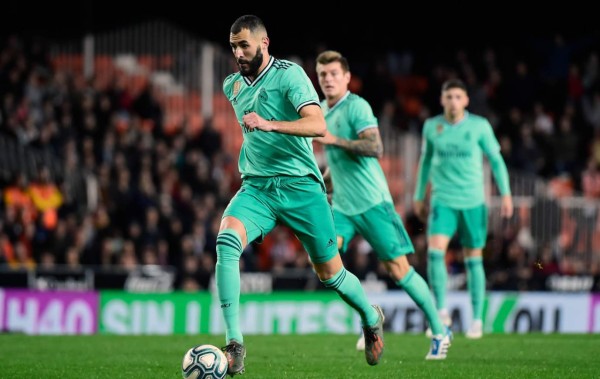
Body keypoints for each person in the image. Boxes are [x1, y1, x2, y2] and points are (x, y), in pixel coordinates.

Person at [216, 15, 385, 376]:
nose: (238, 52)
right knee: (226, 241)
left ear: (264, 43)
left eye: (244, 44)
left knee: (330, 275)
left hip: (301, 188)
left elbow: (317, 125)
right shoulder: (231, 85)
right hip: (258, 187)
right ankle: (234, 345)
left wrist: (269, 123)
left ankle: (370, 317)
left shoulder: (289, 75)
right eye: (233, 46)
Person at [314, 50, 452, 360]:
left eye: (334, 73)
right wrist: (323, 178)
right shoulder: (322, 110)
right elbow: (337, 164)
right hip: (343, 207)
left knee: (398, 270)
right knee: (325, 263)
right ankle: (370, 315)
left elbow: (376, 146)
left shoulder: (357, 106)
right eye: (323, 75)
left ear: (347, 77)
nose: (328, 79)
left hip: (373, 202)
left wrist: (336, 141)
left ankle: (440, 331)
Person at [413, 78, 514, 339]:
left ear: (466, 100)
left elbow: (496, 160)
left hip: (473, 201)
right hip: (442, 200)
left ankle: (477, 321)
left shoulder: (479, 126)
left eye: (458, 97)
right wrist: (418, 194)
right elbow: (425, 162)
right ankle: (442, 311)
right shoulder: (431, 126)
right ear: (442, 100)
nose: (453, 101)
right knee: (435, 254)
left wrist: (506, 194)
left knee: (473, 259)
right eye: (449, 97)